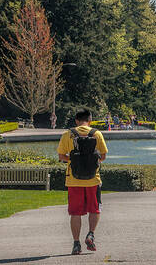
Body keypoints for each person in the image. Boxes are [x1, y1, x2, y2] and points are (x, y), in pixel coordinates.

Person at [57, 109, 108, 255]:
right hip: (93, 179)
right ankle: (91, 234)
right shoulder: (96, 134)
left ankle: (76, 244)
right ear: (90, 120)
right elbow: (103, 156)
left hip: (73, 180)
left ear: (76, 120)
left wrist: (73, 160)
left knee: (75, 213)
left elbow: (61, 156)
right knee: (95, 209)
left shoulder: (68, 134)